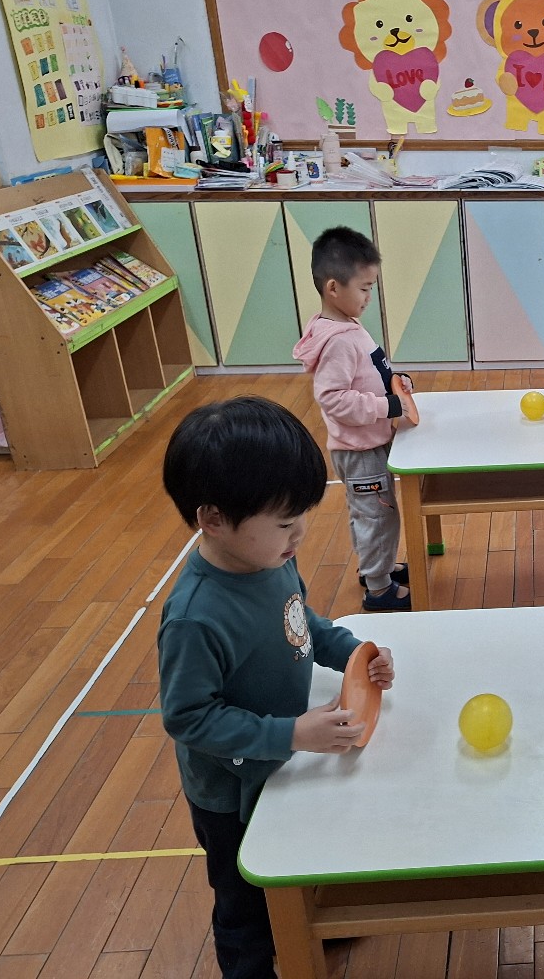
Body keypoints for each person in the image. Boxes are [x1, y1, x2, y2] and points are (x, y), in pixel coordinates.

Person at [158, 395, 395, 979]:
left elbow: (299, 620)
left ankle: (311, 926)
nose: (300, 534)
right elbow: (188, 717)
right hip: (230, 790)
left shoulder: (270, 559)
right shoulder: (195, 617)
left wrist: (354, 654)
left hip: (284, 753)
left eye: (303, 515)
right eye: (286, 523)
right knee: (243, 898)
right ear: (213, 519)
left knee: (300, 852)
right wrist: (291, 733)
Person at [293, 226, 418, 612]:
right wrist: (387, 406)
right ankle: (379, 590)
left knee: (373, 513)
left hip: (366, 443)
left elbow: (368, 373)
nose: (368, 297)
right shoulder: (338, 341)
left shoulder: (345, 324)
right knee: (377, 518)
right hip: (361, 450)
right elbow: (333, 399)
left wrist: (396, 383)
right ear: (334, 288)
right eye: (364, 288)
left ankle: (377, 568)